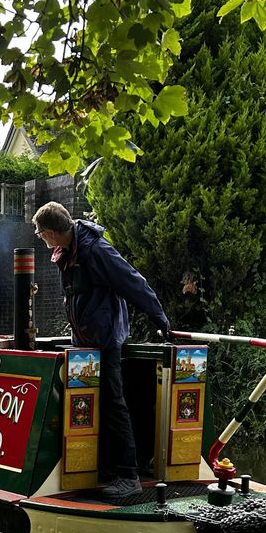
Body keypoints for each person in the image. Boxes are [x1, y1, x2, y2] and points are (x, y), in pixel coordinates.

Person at [32, 201, 169, 499]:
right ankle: (103, 466)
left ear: (53, 232)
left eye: (40, 233)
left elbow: (133, 281)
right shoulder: (71, 250)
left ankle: (128, 476)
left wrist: (159, 317)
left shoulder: (96, 251)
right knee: (94, 403)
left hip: (105, 340)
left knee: (113, 403)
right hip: (86, 340)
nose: (40, 238)